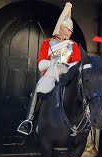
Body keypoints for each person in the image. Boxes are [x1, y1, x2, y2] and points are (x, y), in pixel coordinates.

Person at [17, 2, 81, 135]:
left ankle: (81, 124)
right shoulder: (47, 43)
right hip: (51, 74)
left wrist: (67, 66)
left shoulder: (73, 45)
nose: (71, 32)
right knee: (39, 87)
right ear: (61, 28)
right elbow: (41, 63)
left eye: (71, 30)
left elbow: (77, 63)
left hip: (68, 75)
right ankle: (29, 120)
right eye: (68, 29)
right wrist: (52, 63)